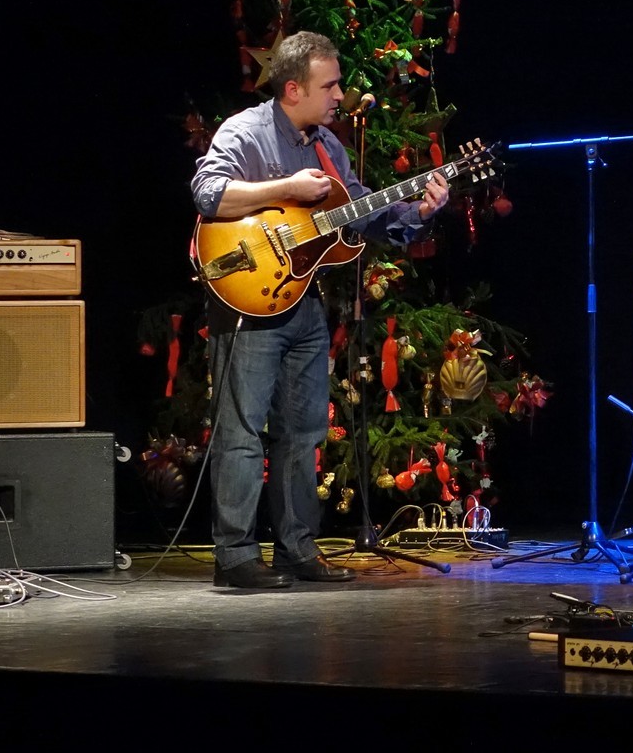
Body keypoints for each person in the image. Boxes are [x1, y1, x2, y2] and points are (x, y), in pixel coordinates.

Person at [191, 30, 450, 589]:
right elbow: (208, 194)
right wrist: (285, 187)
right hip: (249, 306)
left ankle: (296, 550)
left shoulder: (329, 147)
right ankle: (235, 558)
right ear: (293, 89)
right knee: (241, 434)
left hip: (304, 305)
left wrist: (422, 212)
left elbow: (364, 214)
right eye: (329, 86)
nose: (339, 95)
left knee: (303, 432)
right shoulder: (245, 132)